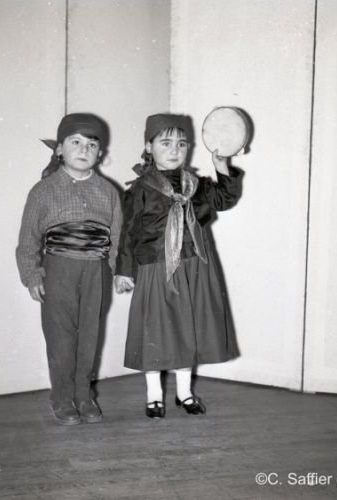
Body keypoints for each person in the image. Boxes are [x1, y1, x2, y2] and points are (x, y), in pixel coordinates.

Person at [115, 113, 243, 419]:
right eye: (166, 143)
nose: (174, 150)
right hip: (156, 268)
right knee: (156, 330)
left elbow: (225, 199)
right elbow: (128, 233)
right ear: (149, 146)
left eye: (182, 144)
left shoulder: (195, 184)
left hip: (194, 266)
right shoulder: (140, 190)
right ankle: (154, 396)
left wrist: (222, 165)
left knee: (189, 328)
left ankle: (184, 393)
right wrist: (124, 270)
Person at [16, 113, 122, 425]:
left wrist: (119, 271)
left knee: (89, 336)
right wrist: (32, 275)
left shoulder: (109, 191)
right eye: (76, 142)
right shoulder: (43, 190)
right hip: (58, 271)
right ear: (60, 149)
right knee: (61, 337)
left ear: (99, 154)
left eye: (92, 145)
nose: (84, 149)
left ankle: (84, 396)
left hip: (96, 273)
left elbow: (118, 238)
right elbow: (28, 239)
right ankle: (62, 398)